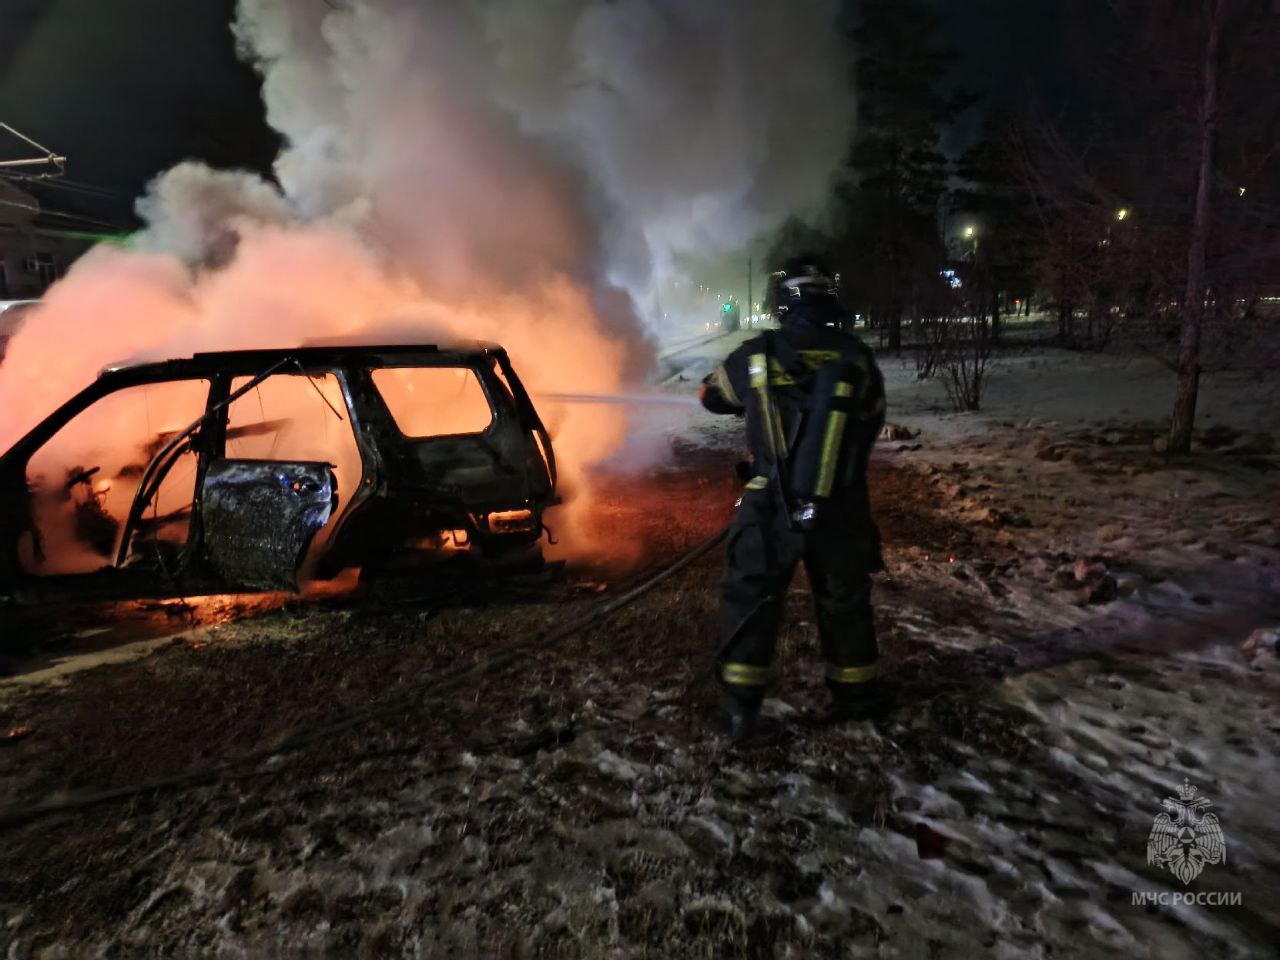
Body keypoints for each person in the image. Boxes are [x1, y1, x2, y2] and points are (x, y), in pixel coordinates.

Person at [699, 259, 887, 741]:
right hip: (842, 506)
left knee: (751, 602)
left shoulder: (757, 356)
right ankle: (857, 701)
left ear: (783, 304)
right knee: (844, 602)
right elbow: (871, 418)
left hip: (771, 505)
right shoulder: (857, 358)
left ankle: (740, 714)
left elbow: (711, 397)